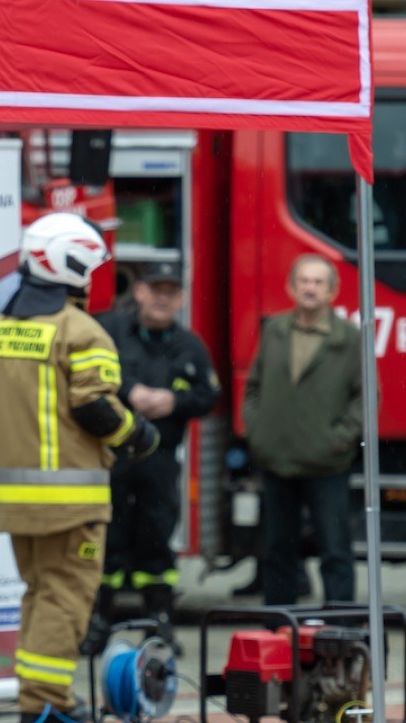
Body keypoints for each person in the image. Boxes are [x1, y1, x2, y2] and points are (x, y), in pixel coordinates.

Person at [0, 212, 158, 723]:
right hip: (70, 498)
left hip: (15, 496)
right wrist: (138, 436)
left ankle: (35, 693)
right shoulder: (81, 331)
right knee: (66, 595)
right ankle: (47, 700)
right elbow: (94, 408)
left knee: (40, 592)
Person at [90, 259, 220, 647]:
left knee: (156, 539)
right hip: (112, 456)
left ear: (180, 299)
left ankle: (159, 621)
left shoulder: (190, 345)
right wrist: (129, 391)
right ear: (140, 292)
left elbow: (209, 395)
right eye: (156, 290)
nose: (162, 299)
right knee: (107, 538)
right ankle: (98, 622)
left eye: (171, 293)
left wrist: (173, 401)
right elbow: (88, 377)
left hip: (160, 461)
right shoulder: (110, 331)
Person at [241, 254, 364, 609]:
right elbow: (254, 387)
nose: (310, 288)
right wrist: (258, 432)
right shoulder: (275, 331)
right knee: (278, 551)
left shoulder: (348, 338)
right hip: (277, 461)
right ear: (292, 288)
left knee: (335, 551)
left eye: (318, 282)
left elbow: (364, 398)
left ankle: (340, 627)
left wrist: (338, 440)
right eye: (304, 281)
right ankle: (278, 628)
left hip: (327, 465)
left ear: (333, 291)